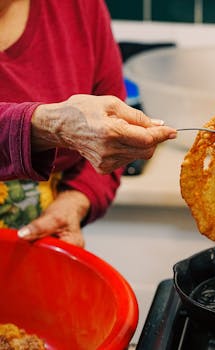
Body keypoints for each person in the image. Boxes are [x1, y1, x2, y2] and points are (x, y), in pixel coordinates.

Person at [0, 0, 177, 247]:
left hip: (41, 249)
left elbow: (108, 135)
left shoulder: (80, 6)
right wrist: (47, 125)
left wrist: (73, 202)